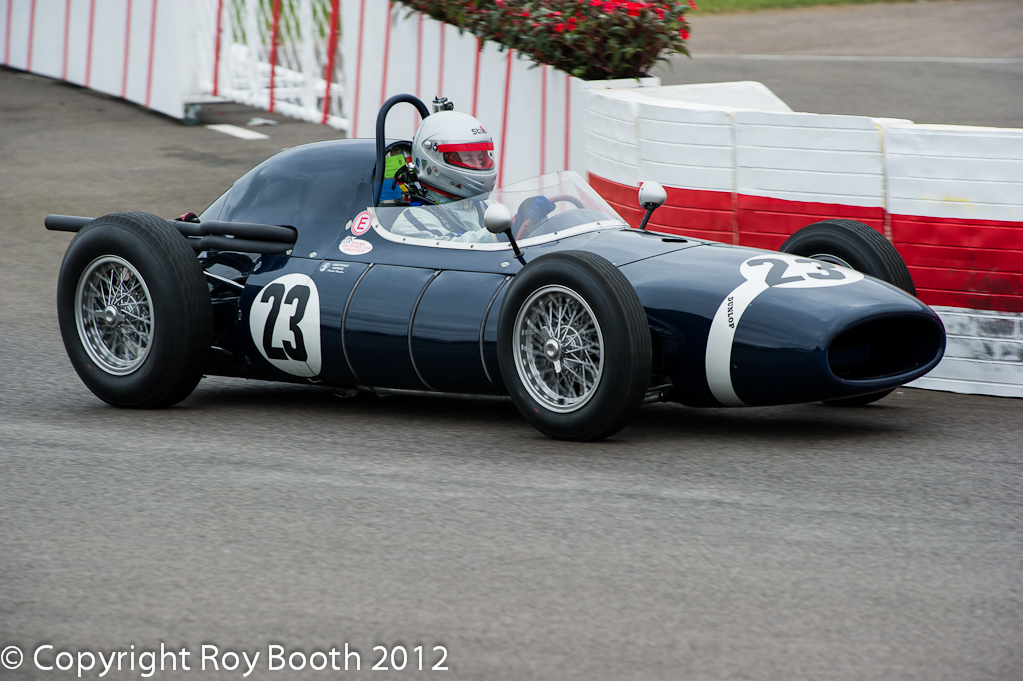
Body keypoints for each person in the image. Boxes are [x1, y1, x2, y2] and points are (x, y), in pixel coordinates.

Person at [389, 110, 555, 243]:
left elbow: (520, 230)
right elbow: (453, 251)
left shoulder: (487, 207)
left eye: (481, 158)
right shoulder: (411, 220)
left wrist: (531, 218)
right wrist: (503, 232)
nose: (478, 165)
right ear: (435, 163)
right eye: (467, 158)